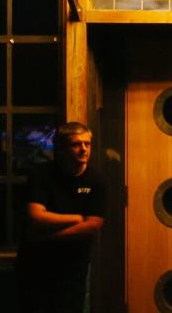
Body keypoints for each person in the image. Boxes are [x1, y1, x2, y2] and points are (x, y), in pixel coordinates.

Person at [17, 122, 107, 313]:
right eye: (76, 144)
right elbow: (36, 216)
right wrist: (76, 218)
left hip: (73, 263)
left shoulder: (96, 180)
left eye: (87, 144)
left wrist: (48, 237)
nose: (83, 149)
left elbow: (93, 224)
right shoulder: (42, 175)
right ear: (61, 148)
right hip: (36, 262)